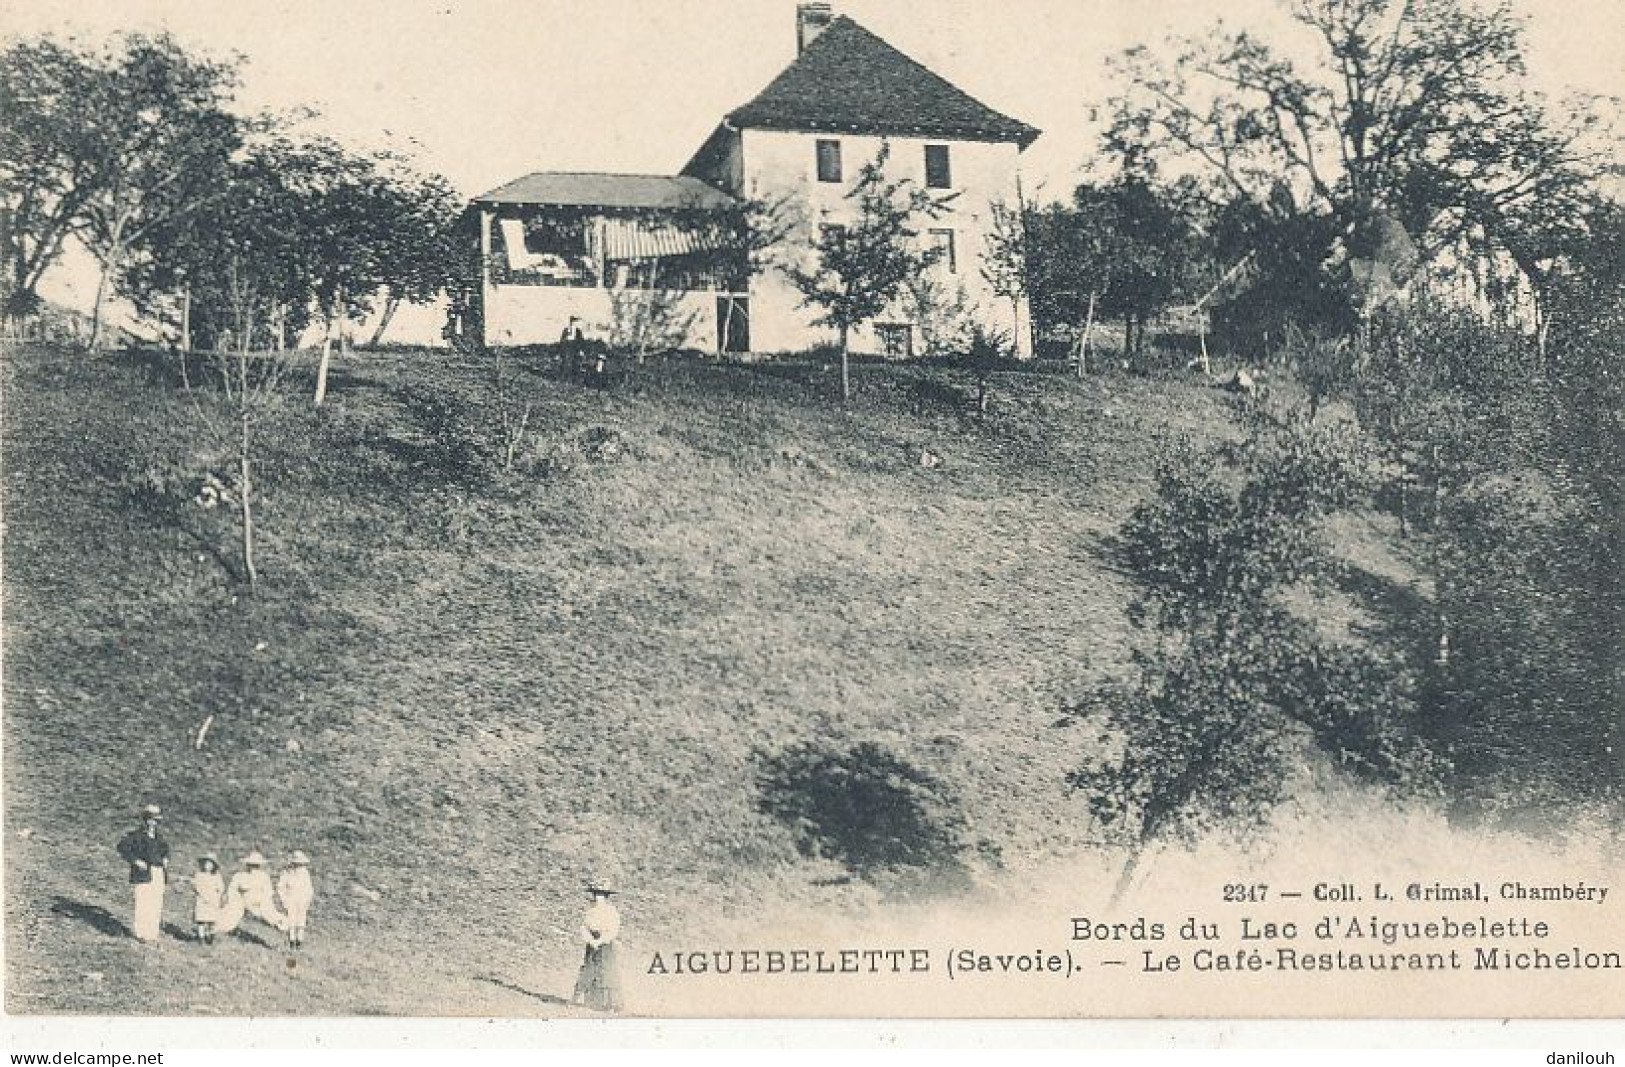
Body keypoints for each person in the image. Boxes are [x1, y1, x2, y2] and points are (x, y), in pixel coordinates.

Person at [116, 804, 170, 943]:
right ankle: (141, 933)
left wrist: (165, 859)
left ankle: (152, 933)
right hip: (144, 873)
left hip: (158, 873)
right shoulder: (136, 836)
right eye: (151, 819)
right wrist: (136, 861)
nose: (153, 823)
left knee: (156, 902)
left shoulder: (159, 838)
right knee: (144, 902)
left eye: (156, 820)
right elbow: (122, 848)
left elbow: (166, 851)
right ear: (145, 819)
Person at [571, 881, 624, 1012]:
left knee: (607, 972)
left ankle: (611, 1004)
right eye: (596, 894)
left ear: (606, 897)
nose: (598, 897)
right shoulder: (591, 912)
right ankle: (592, 1001)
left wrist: (601, 940)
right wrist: (591, 940)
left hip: (606, 946)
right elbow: (584, 927)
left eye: (601, 894)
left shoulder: (611, 912)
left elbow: (613, 929)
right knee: (589, 969)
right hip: (592, 945)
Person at [217, 851, 286, 940]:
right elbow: (232, 890)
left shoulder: (264, 877)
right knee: (230, 916)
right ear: (247, 865)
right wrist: (236, 901)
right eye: (251, 865)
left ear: (260, 866)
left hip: (260, 902)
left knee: (270, 914)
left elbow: (268, 892)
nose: (253, 868)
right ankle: (217, 928)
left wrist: (262, 902)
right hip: (242, 901)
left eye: (256, 865)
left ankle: (282, 925)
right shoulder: (240, 876)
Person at [276, 850, 315, 950]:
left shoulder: (305, 873)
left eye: (300, 864)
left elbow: (309, 888)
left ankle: (299, 942)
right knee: (291, 920)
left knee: (301, 920)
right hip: (291, 899)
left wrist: (307, 900)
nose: (299, 866)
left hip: (302, 899)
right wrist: (284, 899)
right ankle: (291, 942)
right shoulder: (286, 873)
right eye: (296, 864)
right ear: (292, 863)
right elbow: (280, 887)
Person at [190, 854, 225, 944]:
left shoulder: (216, 876)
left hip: (213, 900)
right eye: (206, 863)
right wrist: (199, 892)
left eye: (210, 864)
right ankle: (200, 939)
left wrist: (219, 896)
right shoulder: (199, 875)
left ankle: (210, 937)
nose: (207, 866)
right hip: (202, 900)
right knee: (201, 920)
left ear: (214, 866)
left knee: (212, 920)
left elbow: (221, 887)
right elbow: (195, 885)